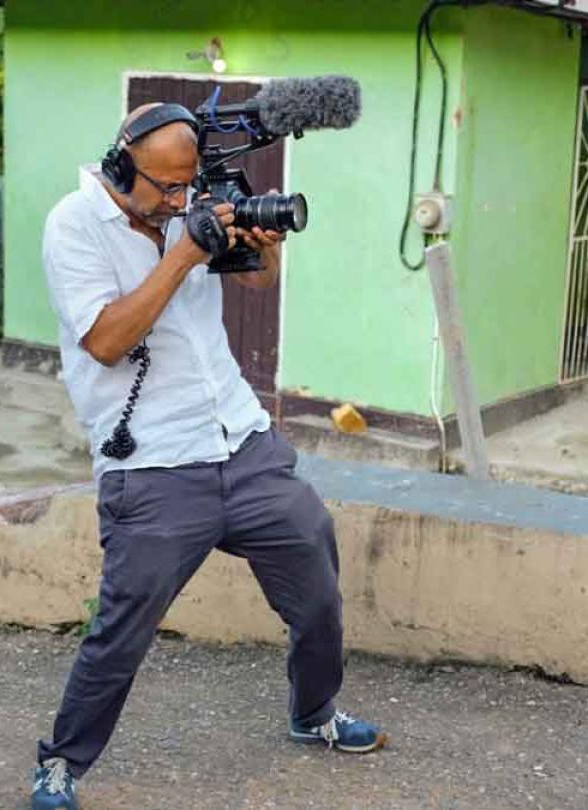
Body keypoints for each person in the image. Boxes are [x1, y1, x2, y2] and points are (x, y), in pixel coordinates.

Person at [30, 102, 384, 810]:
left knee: (316, 578)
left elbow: (255, 282)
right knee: (123, 627)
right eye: (164, 188)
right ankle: (62, 764)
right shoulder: (74, 225)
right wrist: (183, 251)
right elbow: (104, 339)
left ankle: (313, 711)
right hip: (153, 464)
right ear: (120, 168)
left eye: (186, 186)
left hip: (240, 440)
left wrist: (261, 246)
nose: (178, 200)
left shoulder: (190, 207)